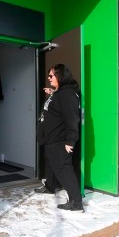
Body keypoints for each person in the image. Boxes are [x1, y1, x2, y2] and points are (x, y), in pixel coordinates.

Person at [35, 63, 84, 212]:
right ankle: (50, 186)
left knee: (64, 170)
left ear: (60, 76)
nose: (49, 78)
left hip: (59, 141)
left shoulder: (67, 94)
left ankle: (76, 202)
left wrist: (70, 141)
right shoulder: (60, 93)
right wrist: (52, 92)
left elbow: (72, 119)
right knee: (50, 164)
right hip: (50, 139)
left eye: (51, 75)